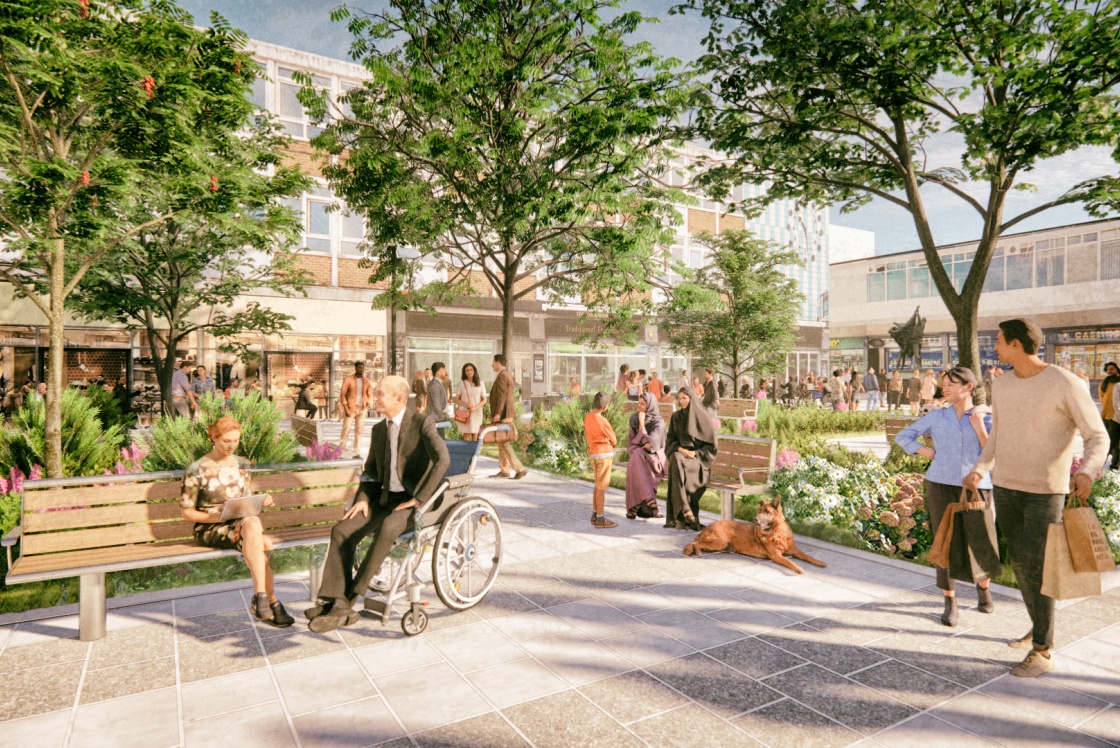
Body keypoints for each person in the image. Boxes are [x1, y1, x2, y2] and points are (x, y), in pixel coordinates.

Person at [964, 318, 1109, 678]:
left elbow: (1098, 436)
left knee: (1039, 566)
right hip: (1007, 488)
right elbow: (998, 434)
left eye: (998, 341)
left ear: (1015, 344)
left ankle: (1042, 650)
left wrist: (1086, 471)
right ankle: (1039, 625)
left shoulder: (1065, 382)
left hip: (1045, 492)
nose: (994, 348)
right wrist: (981, 469)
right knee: (1023, 566)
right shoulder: (1003, 384)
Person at [307, 376, 450, 632]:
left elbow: (443, 460)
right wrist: (362, 499)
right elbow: (371, 471)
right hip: (382, 498)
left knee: (386, 529)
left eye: (381, 394)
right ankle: (333, 598)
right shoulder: (379, 429)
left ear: (400, 398)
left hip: (412, 502)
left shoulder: (421, 422)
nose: (375, 398)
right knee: (341, 530)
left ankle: (348, 600)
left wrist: (418, 499)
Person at [896, 366, 994, 627]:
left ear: (968, 387)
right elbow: (903, 436)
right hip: (940, 485)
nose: (944, 388)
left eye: (951, 383)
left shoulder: (987, 416)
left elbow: (996, 450)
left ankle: (984, 591)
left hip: (977, 486)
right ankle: (950, 602)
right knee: (945, 543)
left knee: (980, 539)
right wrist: (926, 452)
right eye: (943, 383)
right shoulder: (938, 417)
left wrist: (979, 426)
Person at [180, 416, 293, 627]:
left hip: (240, 524)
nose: (231, 445)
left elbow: (245, 499)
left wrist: (262, 501)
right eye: (226, 441)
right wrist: (216, 516)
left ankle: (261, 599)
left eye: (236, 440)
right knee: (262, 542)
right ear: (213, 438)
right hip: (209, 527)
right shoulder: (197, 469)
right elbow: (187, 513)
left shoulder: (242, 464)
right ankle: (271, 601)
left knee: (255, 527)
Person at [664, 387, 717, 531]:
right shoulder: (676, 417)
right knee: (675, 457)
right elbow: (670, 441)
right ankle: (686, 508)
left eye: (684, 398)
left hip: (698, 462)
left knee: (675, 463)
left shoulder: (703, 417)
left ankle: (684, 510)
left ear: (692, 399)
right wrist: (680, 449)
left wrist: (695, 453)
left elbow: (711, 447)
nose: (681, 401)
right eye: (679, 398)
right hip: (681, 458)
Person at [626, 391, 666, 520]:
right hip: (640, 456)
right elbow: (631, 443)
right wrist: (640, 444)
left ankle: (634, 506)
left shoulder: (658, 422)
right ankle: (648, 499)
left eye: (643, 404)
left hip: (654, 459)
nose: (639, 406)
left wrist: (642, 424)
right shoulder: (633, 419)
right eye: (638, 403)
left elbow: (651, 445)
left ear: (650, 405)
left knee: (636, 457)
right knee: (636, 456)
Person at [584, 392, 618, 529]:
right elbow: (614, 440)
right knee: (601, 487)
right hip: (604, 454)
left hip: (593, 454)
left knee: (597, 485)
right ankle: (600, 519)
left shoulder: (588, 417)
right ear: (605, 407)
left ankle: (594, 514)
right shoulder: (602, 421)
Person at [490, 354, 527, 479]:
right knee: (501, 441)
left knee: (503, 442)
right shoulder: (507, 375)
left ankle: (519, 468)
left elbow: (502, 397)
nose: (492, 364)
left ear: (498, 362)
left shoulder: (502, 376)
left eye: (493, 362)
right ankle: (504, 469)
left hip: (504, 414)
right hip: (507, 413)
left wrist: (498, 414)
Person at [339, 362, 373, 455]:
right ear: (355, 368)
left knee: (359, 431)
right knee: (346, 430)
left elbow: (370, 393)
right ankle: (341, 450)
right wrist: (346, 408)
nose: (361, 370)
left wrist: (368, 404)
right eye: (359, 368)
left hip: (362, 409)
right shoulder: (348, 379)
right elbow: (343, 394)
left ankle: (357, 451)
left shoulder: (366, 381)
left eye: (362, 368)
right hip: (350, 408)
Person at [454, 363, 488, 441]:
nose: (469, 372)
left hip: (476, 411)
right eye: (467, 370)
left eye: (471, 370)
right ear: (464, 372)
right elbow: (456, 399)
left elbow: (484, 400)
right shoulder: (461, 383)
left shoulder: (480, 383)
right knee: (466, 433)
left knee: (475, 433)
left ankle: (475, 452)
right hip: (465, 411)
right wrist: (466, 405)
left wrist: (475, 408)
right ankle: (466, 451)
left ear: (474, 371)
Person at [1100, 362, 1120, 471]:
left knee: (1114, 443)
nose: (1109, 371)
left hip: (1116, 417)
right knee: (1106, 441)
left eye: (1112, 369)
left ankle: (1114, 466)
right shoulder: (1104, 383)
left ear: (1117, 369)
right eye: (1107, 369)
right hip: (1105, 415)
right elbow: (1102, 397)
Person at [427, 361, 450, 437]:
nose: (446, 372)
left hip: (438, 418)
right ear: (440, 370)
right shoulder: (434, 385)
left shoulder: (438, 383)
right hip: (436, 419)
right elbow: (436, 404)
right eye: (444, 370)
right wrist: (442, 416)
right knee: (439, 442)